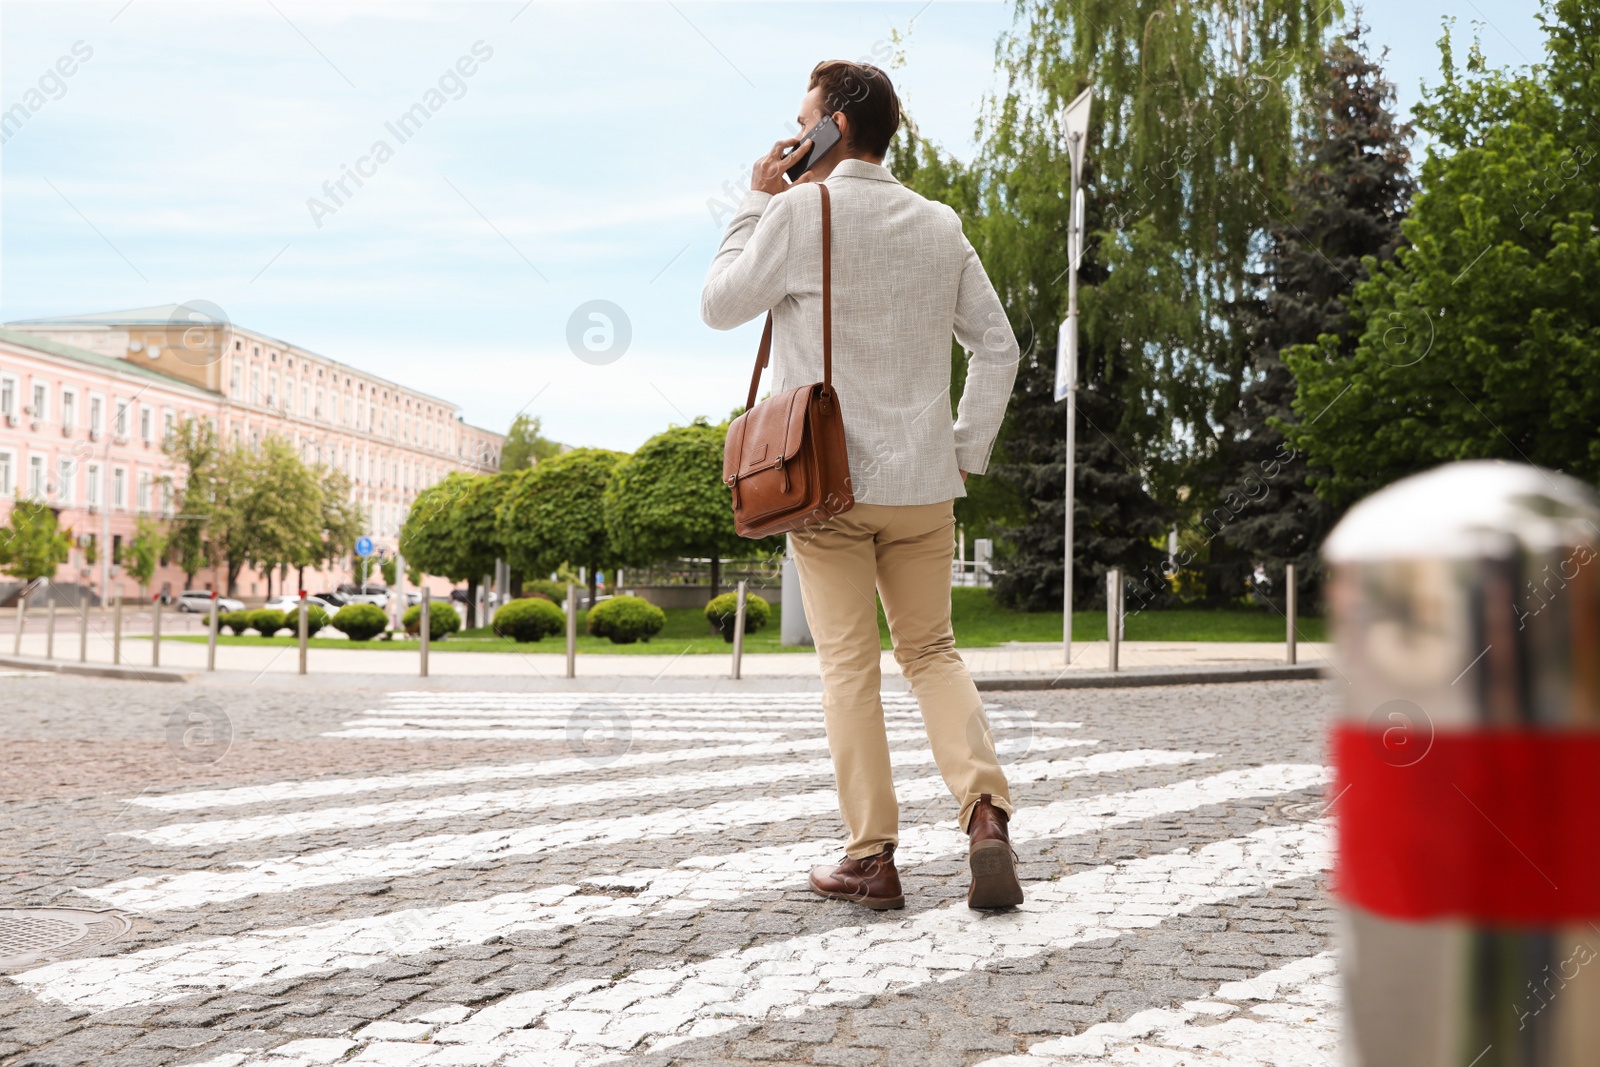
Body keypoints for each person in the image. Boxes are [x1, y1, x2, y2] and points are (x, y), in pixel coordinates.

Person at [701, 60, 1022, 910]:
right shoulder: (939, 222)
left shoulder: (802, 209)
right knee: (932, 651)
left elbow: (721, 303)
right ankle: (985, 814)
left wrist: (756, 198)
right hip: (924, 486)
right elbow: (1000, 348)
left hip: (829, 484)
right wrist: (963, 451)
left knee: (851, 665)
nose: (794, 131)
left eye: (802, 117)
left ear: (832, 127)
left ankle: (872, 858)